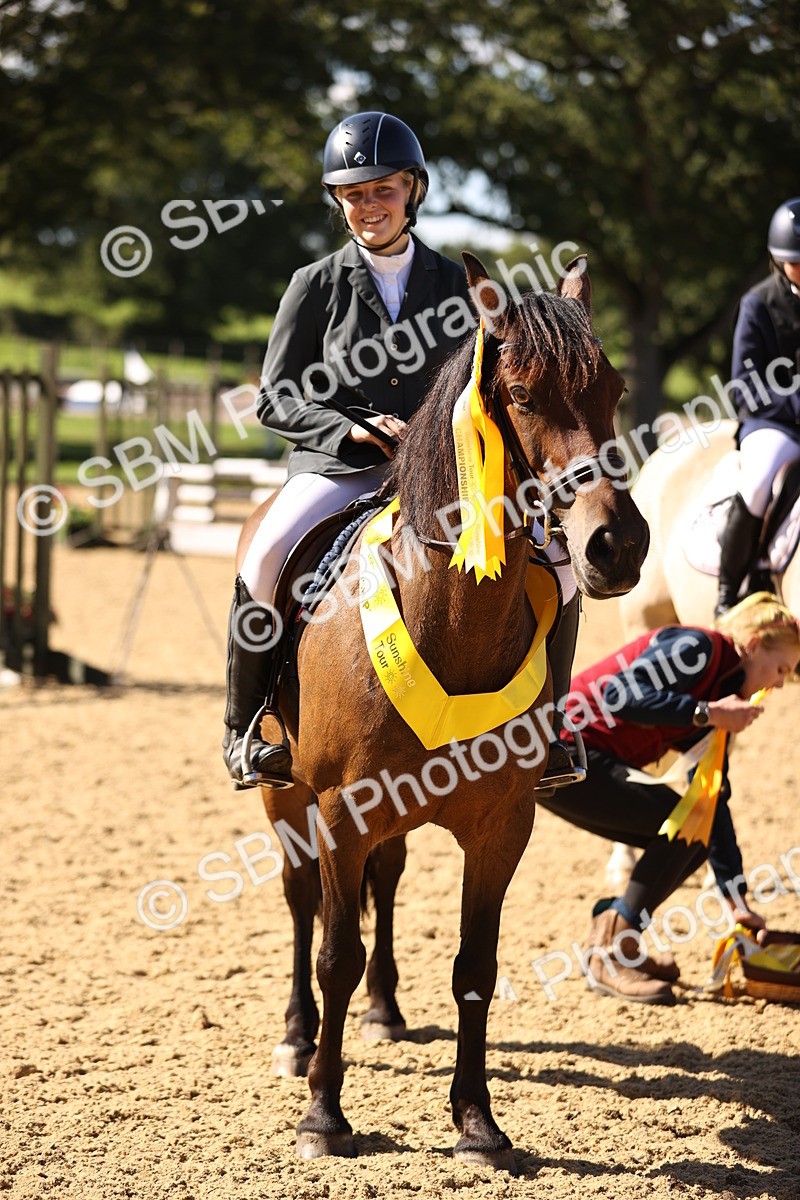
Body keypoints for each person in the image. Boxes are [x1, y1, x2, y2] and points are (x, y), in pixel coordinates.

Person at [223, 110, 580, 788]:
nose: (367, 207)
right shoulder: (315, 284)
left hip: (443, 475)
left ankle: (551, 732)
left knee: (556, 563)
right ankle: (248, 727)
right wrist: (345, 429)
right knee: (267, 554)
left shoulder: (458, 285)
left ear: (412, 191)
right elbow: (275, 397)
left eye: (382, 190)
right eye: (353, 195)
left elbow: (492, 381)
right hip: (341, 465)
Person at [537, 592, 800, 1005]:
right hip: (563, 751)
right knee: (682, 828)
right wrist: (707, 713)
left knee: (694, 834)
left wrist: (737, 900)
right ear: (753, 644)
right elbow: (618, 695)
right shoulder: (699, 649)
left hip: (586, 758)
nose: (781, 683)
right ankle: (610, 946)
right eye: (781, 668)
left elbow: (713, 801)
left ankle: (613, 931)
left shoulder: (723, 690)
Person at [715, 197, 800, 618]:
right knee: (761, 476)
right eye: (797, 263)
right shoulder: (758, 305)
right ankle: (730, 592)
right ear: (779, 260)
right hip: (773, 424)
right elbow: (744, 387)